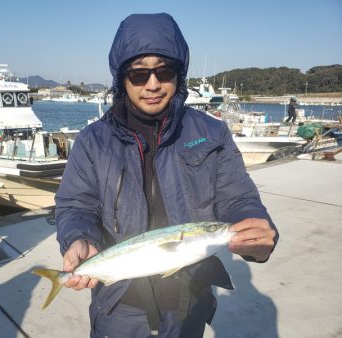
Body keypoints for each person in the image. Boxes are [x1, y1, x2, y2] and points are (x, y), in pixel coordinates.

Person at [55, 13, 278, 338]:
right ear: (122, 78)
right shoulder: (93, 140)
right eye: (139, 73)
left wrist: (253, 229)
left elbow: (238, 198)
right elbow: (76, 205)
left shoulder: (212, 132)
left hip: (188, 300)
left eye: (165, 70)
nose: (153, 84)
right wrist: (79, 238)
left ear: (180, 73)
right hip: (119, 304)